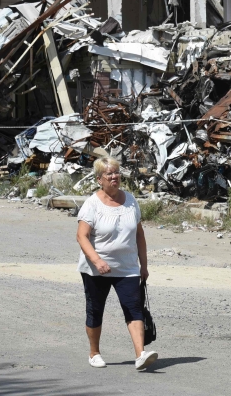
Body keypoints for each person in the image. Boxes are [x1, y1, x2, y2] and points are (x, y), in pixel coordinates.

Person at [75, 156, 158, 370]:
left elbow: (139, 235)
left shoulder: (130, 200)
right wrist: (97, 260)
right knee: (95, 310)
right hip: (96, 269)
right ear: (99, 179)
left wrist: (144, 266)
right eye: (109, 174)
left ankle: (140, 354)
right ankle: (94, 353)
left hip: (127, 267)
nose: (114, 177)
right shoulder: (92, 204)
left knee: (134, 309)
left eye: (116, 173)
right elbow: (82, 236)